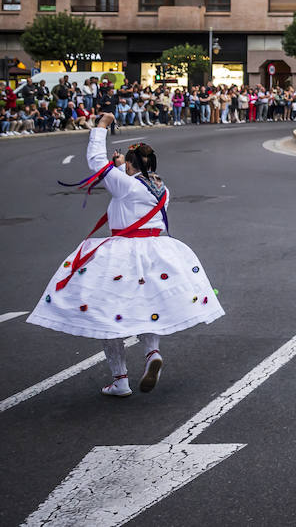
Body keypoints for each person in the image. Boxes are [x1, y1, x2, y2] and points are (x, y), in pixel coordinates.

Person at [28, 113, 224, 396]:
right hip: (157, 250)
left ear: (130, 166)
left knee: (109, 314)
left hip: (122, 253)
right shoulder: (162, 188)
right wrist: (122, 166)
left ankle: (120, 380)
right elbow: (129, 182)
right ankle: (151, 352)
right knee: (147, 306)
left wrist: (100, 128)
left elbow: (97, 164)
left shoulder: (126, 185)